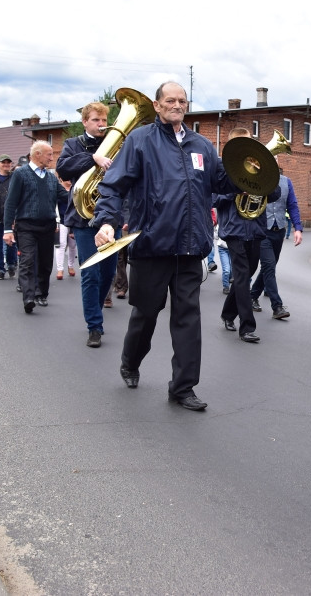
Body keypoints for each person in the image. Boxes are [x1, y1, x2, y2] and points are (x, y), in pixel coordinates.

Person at [93, 81, 238, 411]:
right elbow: (113, 186)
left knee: (188, 318)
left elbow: (222, 182)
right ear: (157, 106)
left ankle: (183, 387)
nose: (177, 104)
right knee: (145, 314)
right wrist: (106, 222)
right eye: (170, 100)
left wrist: (251, 170)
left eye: (182, 100)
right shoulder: (140, 141)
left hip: (190, 249)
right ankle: (130, 362)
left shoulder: (202, 145)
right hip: (151, 246)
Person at [56, 101, 118, 347]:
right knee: (90, 272)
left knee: (108, 273)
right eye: (96, 120)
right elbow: (62, 169)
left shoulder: (115, 145)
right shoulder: (74, 145)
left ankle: (96, 312)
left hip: (109, 218)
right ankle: (94, 325)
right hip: (83, 218)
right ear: (85, 122)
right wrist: (93, 158)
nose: (101, 125)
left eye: (104, 120)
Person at [215, 128, 281, 344]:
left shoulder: (257, 166)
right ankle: (247, 326)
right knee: (242, 276)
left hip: (256, 228)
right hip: (234, 230)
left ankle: (227, 313)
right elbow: (214, 197)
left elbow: (275, 195)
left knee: (248, 273)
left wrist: (267, 177)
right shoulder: (222, 168)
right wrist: (235, 190)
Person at [3, 141, 59, 314]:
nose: (52, 158)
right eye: (49, 154)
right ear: (37, 155)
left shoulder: (51, 177)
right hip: (26, 225)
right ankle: (28, 297)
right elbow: (11, 202)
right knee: (27, 261)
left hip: (48, 226)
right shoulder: (21, 173)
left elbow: (63, 198)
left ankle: (42, 293)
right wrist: (7, 230)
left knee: (45, 263)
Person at [250, 167, 303, 320]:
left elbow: (292, 205)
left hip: (279, 230)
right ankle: (277, 306)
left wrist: (297, 228)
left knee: (269, 267)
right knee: (269, 265)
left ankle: (252, 295)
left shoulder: (287, 182)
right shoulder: (257, 180)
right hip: (262, 231)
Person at [55, 178, 78, 281]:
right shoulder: (58, 190)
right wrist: (55, 222)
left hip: (74, 221)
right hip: (61, 220)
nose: (69, 180)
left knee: (72, 245)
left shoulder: (75, 188)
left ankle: (71, 265)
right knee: (61, 244)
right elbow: (54, 206)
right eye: (66, 177)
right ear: (61, 179)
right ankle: (60, 269)